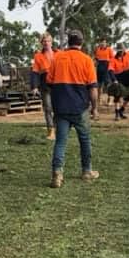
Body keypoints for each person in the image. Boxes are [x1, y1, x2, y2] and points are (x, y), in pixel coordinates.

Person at [46, 29, 99, 187]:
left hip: (61, 108)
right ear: (81, 43)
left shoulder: (57, 58)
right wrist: (94, 108)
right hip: (79, 108)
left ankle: (57, 174)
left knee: (61, 141)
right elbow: (93, 88)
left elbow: (49, 83)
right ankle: (87, 171)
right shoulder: (86, 60)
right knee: (84, 139)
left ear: (68, 42)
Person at [30, 33, 57, 140]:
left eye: (48, 41)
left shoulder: (59, 54)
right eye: (44, 41)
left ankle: (57, 128)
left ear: (52, 42)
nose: (46, 43)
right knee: (48, 108)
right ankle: (51, 131)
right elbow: (35, 72)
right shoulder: (38, 56)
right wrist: (35, 87)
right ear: (41, 43)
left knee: (58, 108)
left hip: (58, 83)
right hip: (45, 85)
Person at [108, 44, 129, 120]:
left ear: (124, 50)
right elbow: (110, 70)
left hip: (127, 77)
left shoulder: (128, 55)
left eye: (122, 50)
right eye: (119, 51)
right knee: (117, 94)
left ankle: (121, 111)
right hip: (118, 77)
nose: (121, 52)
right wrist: (114, 80)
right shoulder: (113, 59)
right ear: (117, 51)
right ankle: (117, 113)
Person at [93, 38, 114, 104]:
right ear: (99, 43)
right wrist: (94, 63)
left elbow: (112, 58)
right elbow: (96, 58)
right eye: (101, 42)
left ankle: (110, 99)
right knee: (99, 85)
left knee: (108, 84)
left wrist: (110, 67)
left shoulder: (109, 49)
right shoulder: (97, 49)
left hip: (106, 67)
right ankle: (99, 100)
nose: (102, 44)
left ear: (106, 43)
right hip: (99, 67)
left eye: (104, 42)